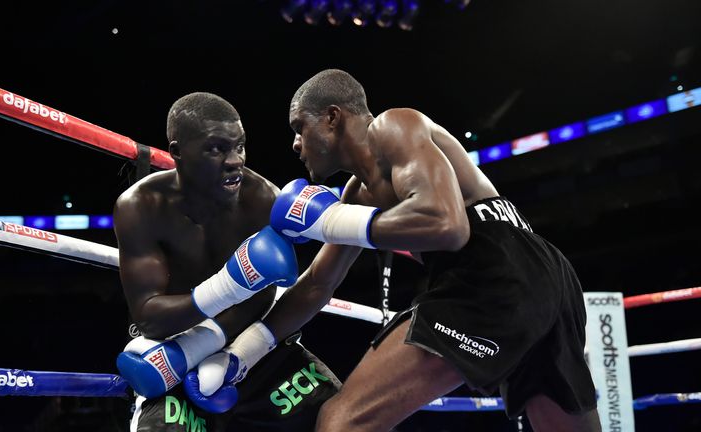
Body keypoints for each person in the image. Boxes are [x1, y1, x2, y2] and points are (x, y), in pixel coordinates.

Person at [195, 69, 602, 432]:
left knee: (342, 421)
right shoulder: (357, 194)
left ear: (333, 117)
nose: (296, 143)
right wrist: (241, 354)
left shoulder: (393, 127)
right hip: (541, 276)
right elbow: (317, 285)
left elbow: (448, 226)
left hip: (496, 269)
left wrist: (328, 221)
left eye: (300, 127)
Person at [112, 92, 341, 431]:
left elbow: (262, 296)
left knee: (341, 414)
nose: (235, 160)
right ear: (176, 152)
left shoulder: (263, 200)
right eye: (216, 149)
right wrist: (229, 287)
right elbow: (149, 319)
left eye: (240, 146)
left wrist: (227, 353)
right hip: (171, 352)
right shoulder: (141, 207)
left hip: (253, 348)